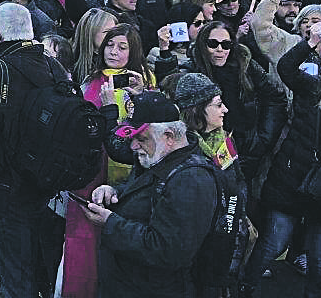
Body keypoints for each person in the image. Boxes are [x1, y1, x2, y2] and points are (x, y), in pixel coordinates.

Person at [0, 3, 67, 298]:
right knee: (45, 269)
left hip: (8, 187)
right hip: (50, 187)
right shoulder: (53, 66)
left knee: (15, 272)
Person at [247, 46, 321, 298]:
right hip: (289, 179)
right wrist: (309, 44)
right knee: (273, 243)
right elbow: (285, 68)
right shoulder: (311, 89)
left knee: (320, 255)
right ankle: (245, 288)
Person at [77, 90, 217, 298]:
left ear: (169, 137)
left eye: (141, 139)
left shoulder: (191, 181)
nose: (133, 146)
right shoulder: (159, 158)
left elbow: (168, 251)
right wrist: (115, 191)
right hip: (130, 284)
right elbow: (147, 192)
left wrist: (110, 223)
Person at [190, 20, 286, 184]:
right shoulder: (192, 70)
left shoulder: (245, 65)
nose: (220, 49)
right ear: (202, 45)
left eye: (226, 44)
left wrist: (263, 139)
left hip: (246, 146)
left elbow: (276, 97)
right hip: (205, 148)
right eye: (213, 44)